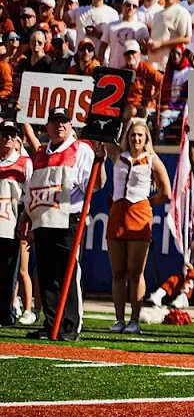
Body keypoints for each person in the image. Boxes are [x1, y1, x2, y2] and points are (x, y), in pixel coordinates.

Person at [20, 107, 104, 341]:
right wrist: (26, 218)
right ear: (47, 127)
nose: (60, 126)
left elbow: (95, 184)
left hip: (68, 219)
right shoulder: (39, 154)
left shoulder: (80, 149)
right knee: (46, 275)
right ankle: (51, 323)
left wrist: (102, 162)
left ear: (71, 126)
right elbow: (32, 191)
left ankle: (70, 325)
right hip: (43, 220)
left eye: (64, 122)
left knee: (67, 273)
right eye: (55, 122)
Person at [104, 119, 171, 333]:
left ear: (146, 138)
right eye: (133, 135)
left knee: (135, 272)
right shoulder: (118, 156)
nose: (136, 139)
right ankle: (119, 319)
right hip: (117, 214)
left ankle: (134, 320)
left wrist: (147, 203)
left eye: (140, 135)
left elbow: (166, 192)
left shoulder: (152, 159)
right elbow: (105, 138)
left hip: (139, 214)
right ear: (127, 136)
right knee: (117, 272)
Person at [0, 121, 30, 327]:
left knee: (8, 273)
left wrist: (25, 220)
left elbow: (29, 195)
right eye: (4, 134)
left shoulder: (24, 162)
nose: (8, 138)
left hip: (10, 225)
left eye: (12, 134)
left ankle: (6, 314)